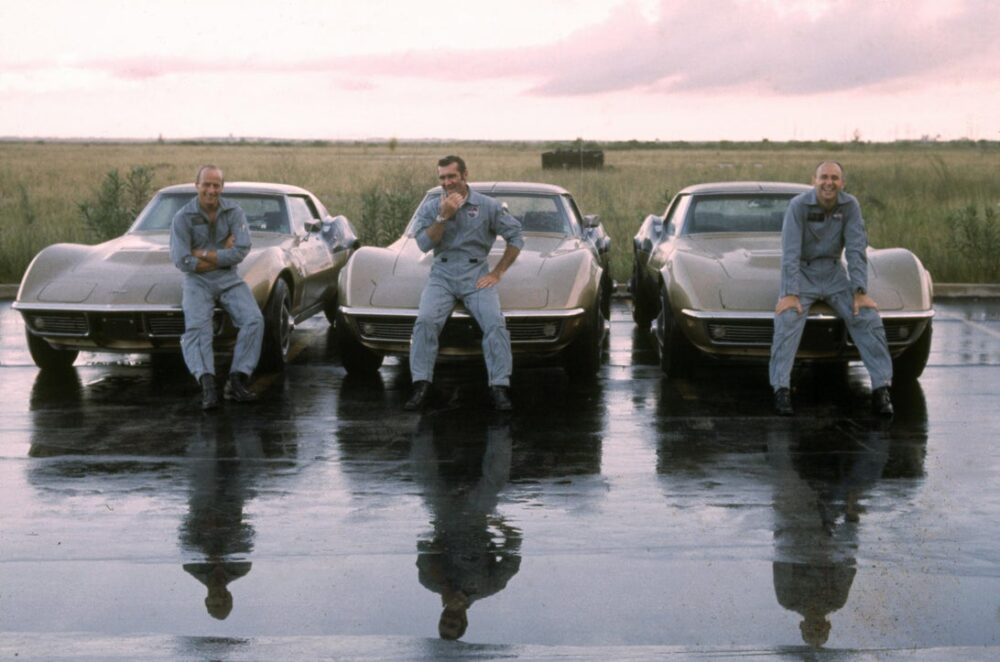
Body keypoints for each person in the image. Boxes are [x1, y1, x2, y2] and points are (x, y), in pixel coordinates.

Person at [769, 161, 893, 417]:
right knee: (787, 319)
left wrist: (860, 290)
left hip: (835, 273)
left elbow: (857, 249)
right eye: (824, 177)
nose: (829, 183)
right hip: (803, 273)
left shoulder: (850, 206)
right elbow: (790, 253)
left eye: (834, 178)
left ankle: (881, 390)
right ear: (814, 180)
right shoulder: (798, 206)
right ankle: (781, 389)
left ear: (842, 183)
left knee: (867, 317)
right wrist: (790, 293)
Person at [404, 155, 523, 411]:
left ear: (465, 175)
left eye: (452, 176)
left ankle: (499, 387)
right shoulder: (431, 208)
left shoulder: (487, 206)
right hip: (442, 274)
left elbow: (516, 237)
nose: (447, 182)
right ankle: (421, 385)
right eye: (442, 178)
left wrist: (498, 272)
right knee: (425, 321)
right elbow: (424, 244)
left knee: (494, 323)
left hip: (475, 273)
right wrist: (443, 217)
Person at [170, 165, 263, 410]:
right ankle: (207, 385)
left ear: (222, 187)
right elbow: (182, 260)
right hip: (196, 280)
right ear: (196, 185)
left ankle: (238, 380)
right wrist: (222, 252)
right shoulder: (182, 217)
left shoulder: (234, 211)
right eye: (206, 184)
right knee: (197, 329)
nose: (211, 190)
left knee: (254, 320)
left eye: (216, 185)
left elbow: (241, 250)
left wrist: (202, 253)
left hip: (228, 278)